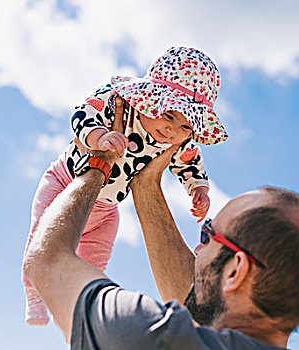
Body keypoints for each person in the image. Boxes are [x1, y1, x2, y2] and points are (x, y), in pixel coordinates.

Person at [22, 100, 299, 348]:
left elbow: (45, 260)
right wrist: (145, 182)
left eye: (209, 234)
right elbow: (200, 302)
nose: (197, 245)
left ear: (236, 271)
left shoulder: (153, 337)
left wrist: (97, 166)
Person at [22, 46, 229, 325]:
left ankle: (77, 313)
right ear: (151, 99)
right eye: (168, 116)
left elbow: (190, 162)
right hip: (64, 182)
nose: (172, 131)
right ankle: (34, 295)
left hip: (107, 209)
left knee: (93, 265)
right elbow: (83, 114)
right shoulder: (119, 103)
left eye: (184, 126)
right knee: (40, 240)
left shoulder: (175, 141)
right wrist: (98, 137)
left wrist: (197, 188)